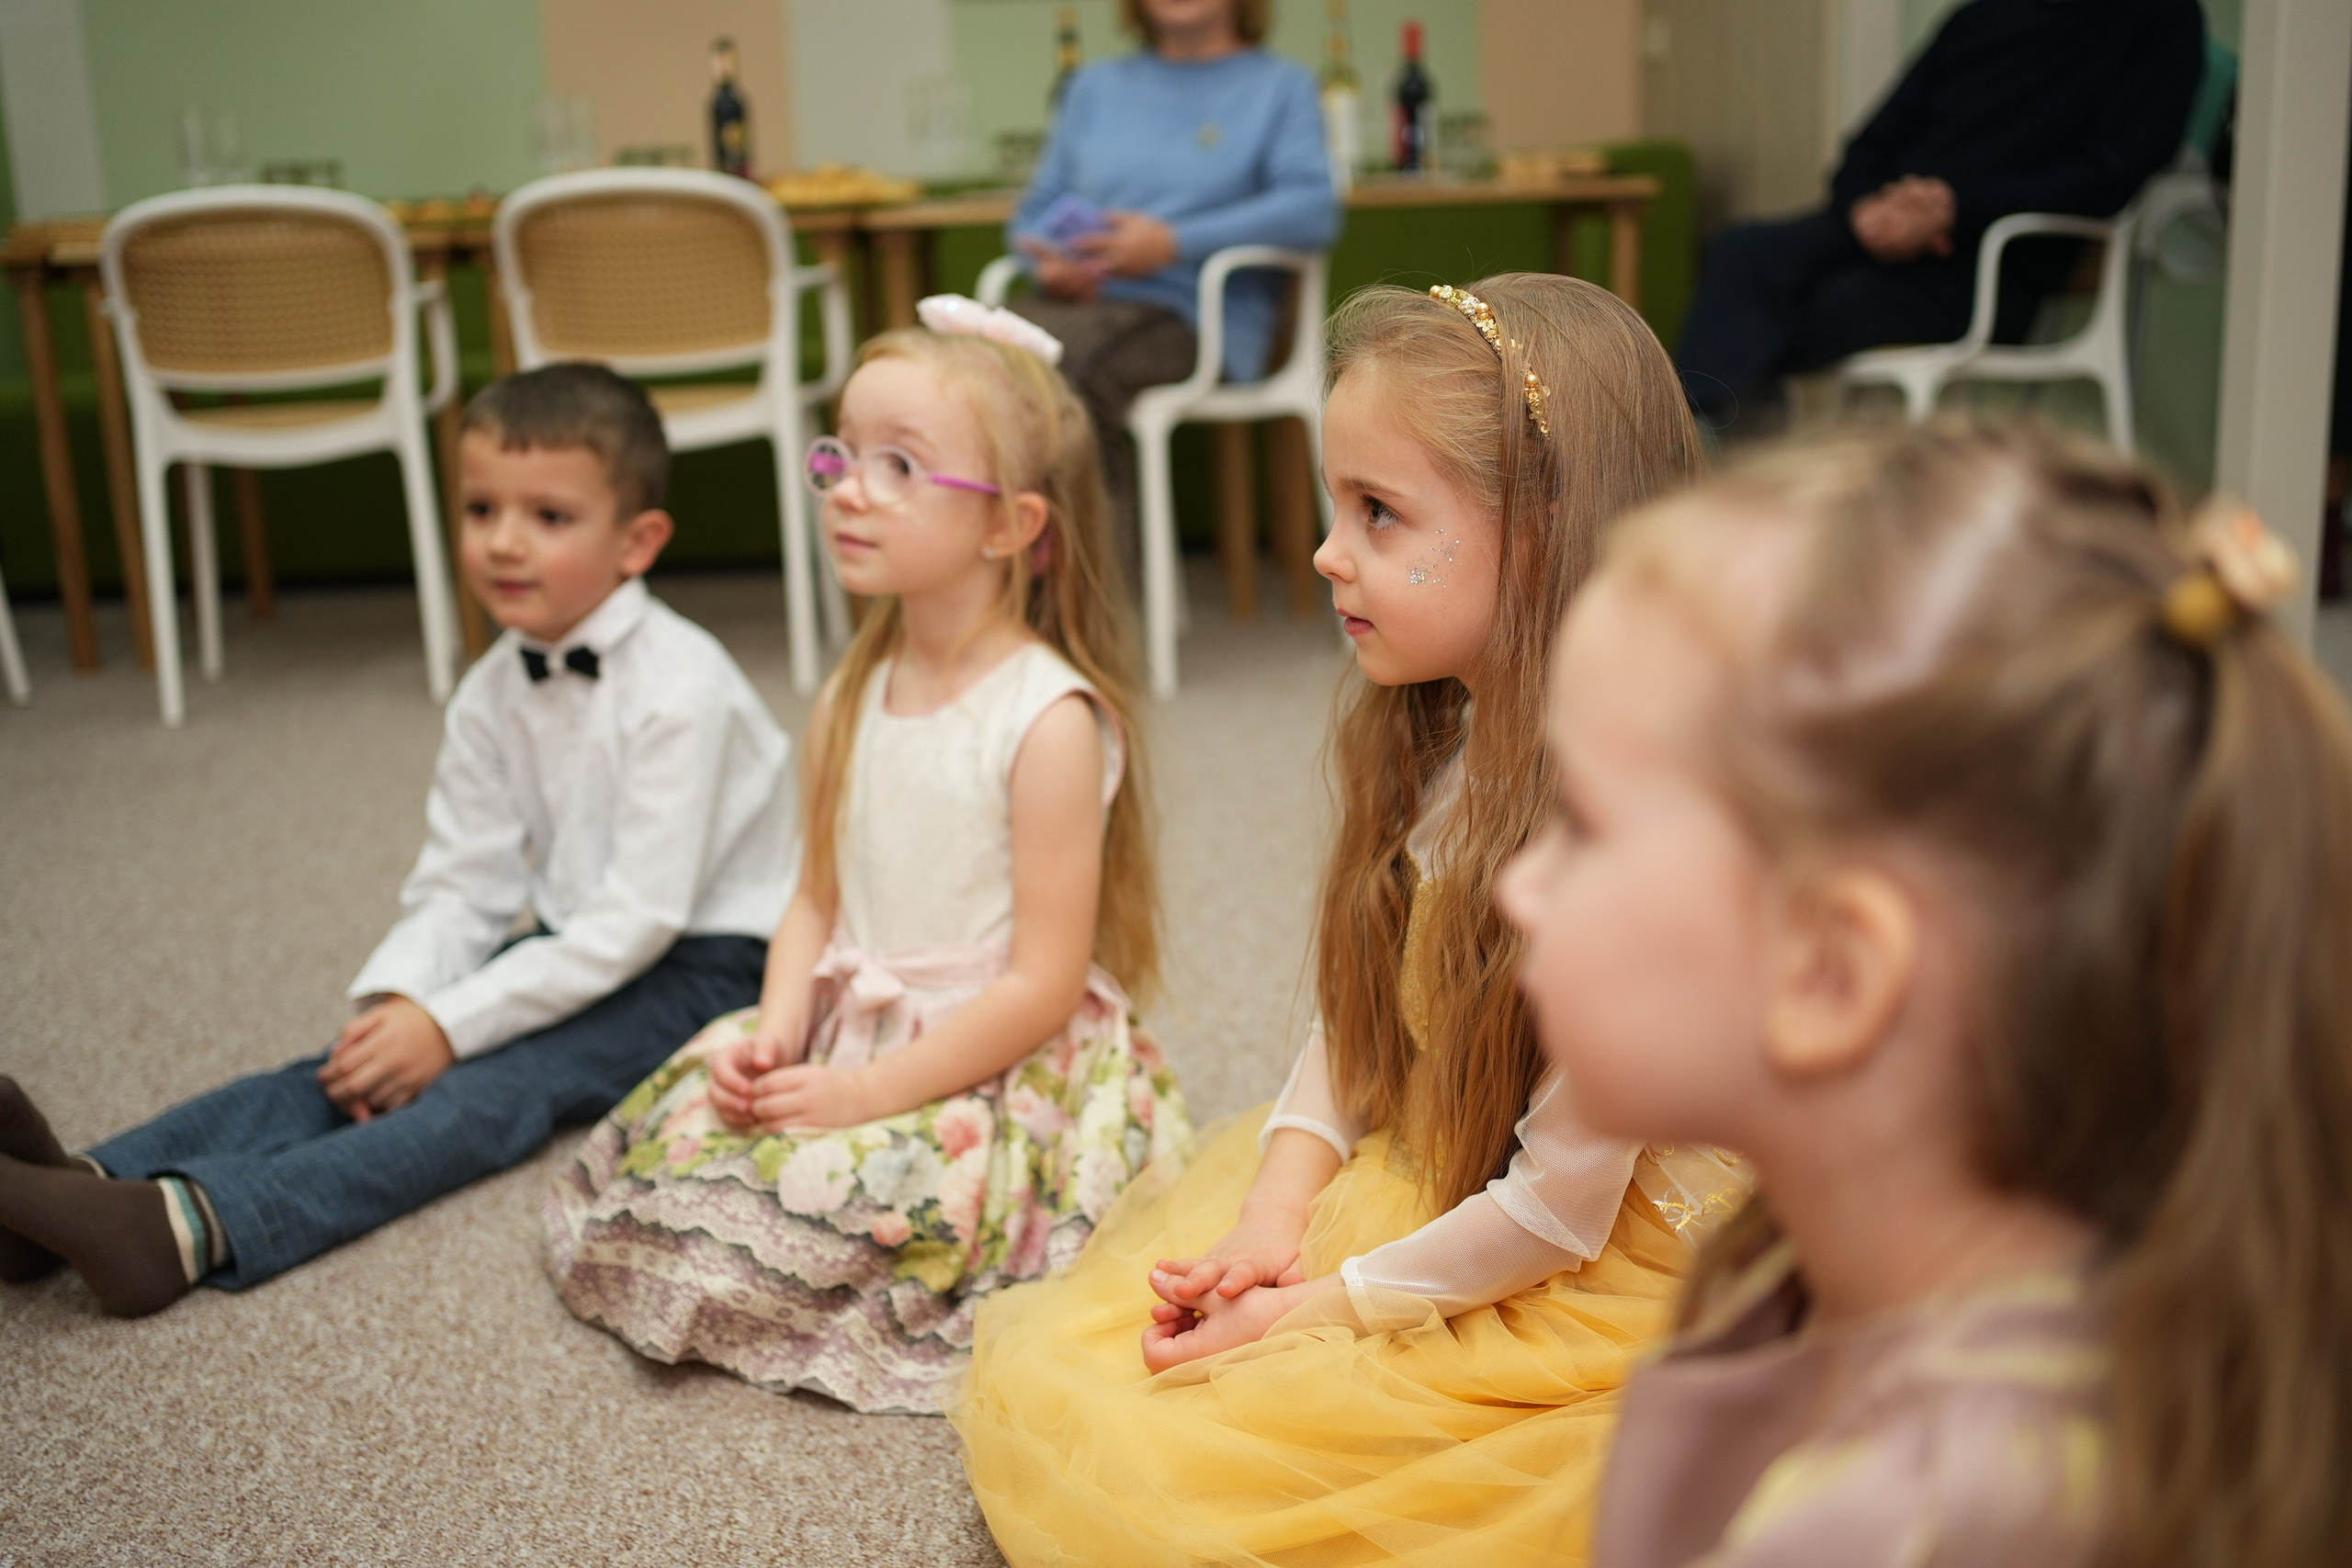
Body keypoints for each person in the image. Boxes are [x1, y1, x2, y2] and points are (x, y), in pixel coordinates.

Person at [953, 275, 1742, 1563]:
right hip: (1463, 1166)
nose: (1329, 552)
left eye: (1378, 512)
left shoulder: (1640, 838)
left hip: (1610, 1260)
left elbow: (1556, 1214)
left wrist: (1317, 1306)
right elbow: (1373, 1002)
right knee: (1141, 1379)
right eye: (1337, 504)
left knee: (1245, 1475)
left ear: (1545, 533)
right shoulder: (1454, 734)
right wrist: (1276, 1207)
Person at [1496, 420, 2352, 1567]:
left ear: (1830, 972)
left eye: (1582, 825)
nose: (1515, 885)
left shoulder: (1901, 1528)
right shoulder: (1878, 1267)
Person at [0, 364, 794, 1318]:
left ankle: (185, 1225)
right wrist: (405, 999)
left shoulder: (684, 687)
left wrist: (453, 1028)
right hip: (583, 941)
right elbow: (464, 884)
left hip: (713, 966)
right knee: (352, 1064)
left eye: (549, 517)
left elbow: (641, 918)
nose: (503, 541)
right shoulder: (493, 688)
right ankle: (83, 1183)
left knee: (497, 1086)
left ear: (638, 542)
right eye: (480, 507)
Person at [544, 298, 1189, 1416]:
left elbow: (1040, 982)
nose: (847, 486)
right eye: (842, 452)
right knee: (692, 1147)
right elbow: (812, 900)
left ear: (1009, 526)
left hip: (987, 1050)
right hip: (857, 1018)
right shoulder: (852, 688)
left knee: (863, 1203)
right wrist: (782, 1026)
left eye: (899, 467)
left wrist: (867, 1093)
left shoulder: (1048, 721)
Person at [1676, 0, 2206, 435]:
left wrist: (1954, 209)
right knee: (1740, 252)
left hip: (1992, 264)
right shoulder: (1980, 17)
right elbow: (1869, 144)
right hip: (1882, 229)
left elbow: (2109, 175)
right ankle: (1704, 438)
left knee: (1814, 306)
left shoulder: (2160, 20)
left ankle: (1708, 451)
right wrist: (1865, 209)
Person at [1005, 0, 1340, 571]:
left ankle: (1088, 609)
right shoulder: (1092, 87)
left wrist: (1172, 243)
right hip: (1082, 303)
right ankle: (1002, 589)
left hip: (1196, 314)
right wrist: (1048, 264)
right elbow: (1034, 212)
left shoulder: (1279, 86)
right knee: (978, 358)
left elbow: (1313, 211)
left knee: (1055, 365)